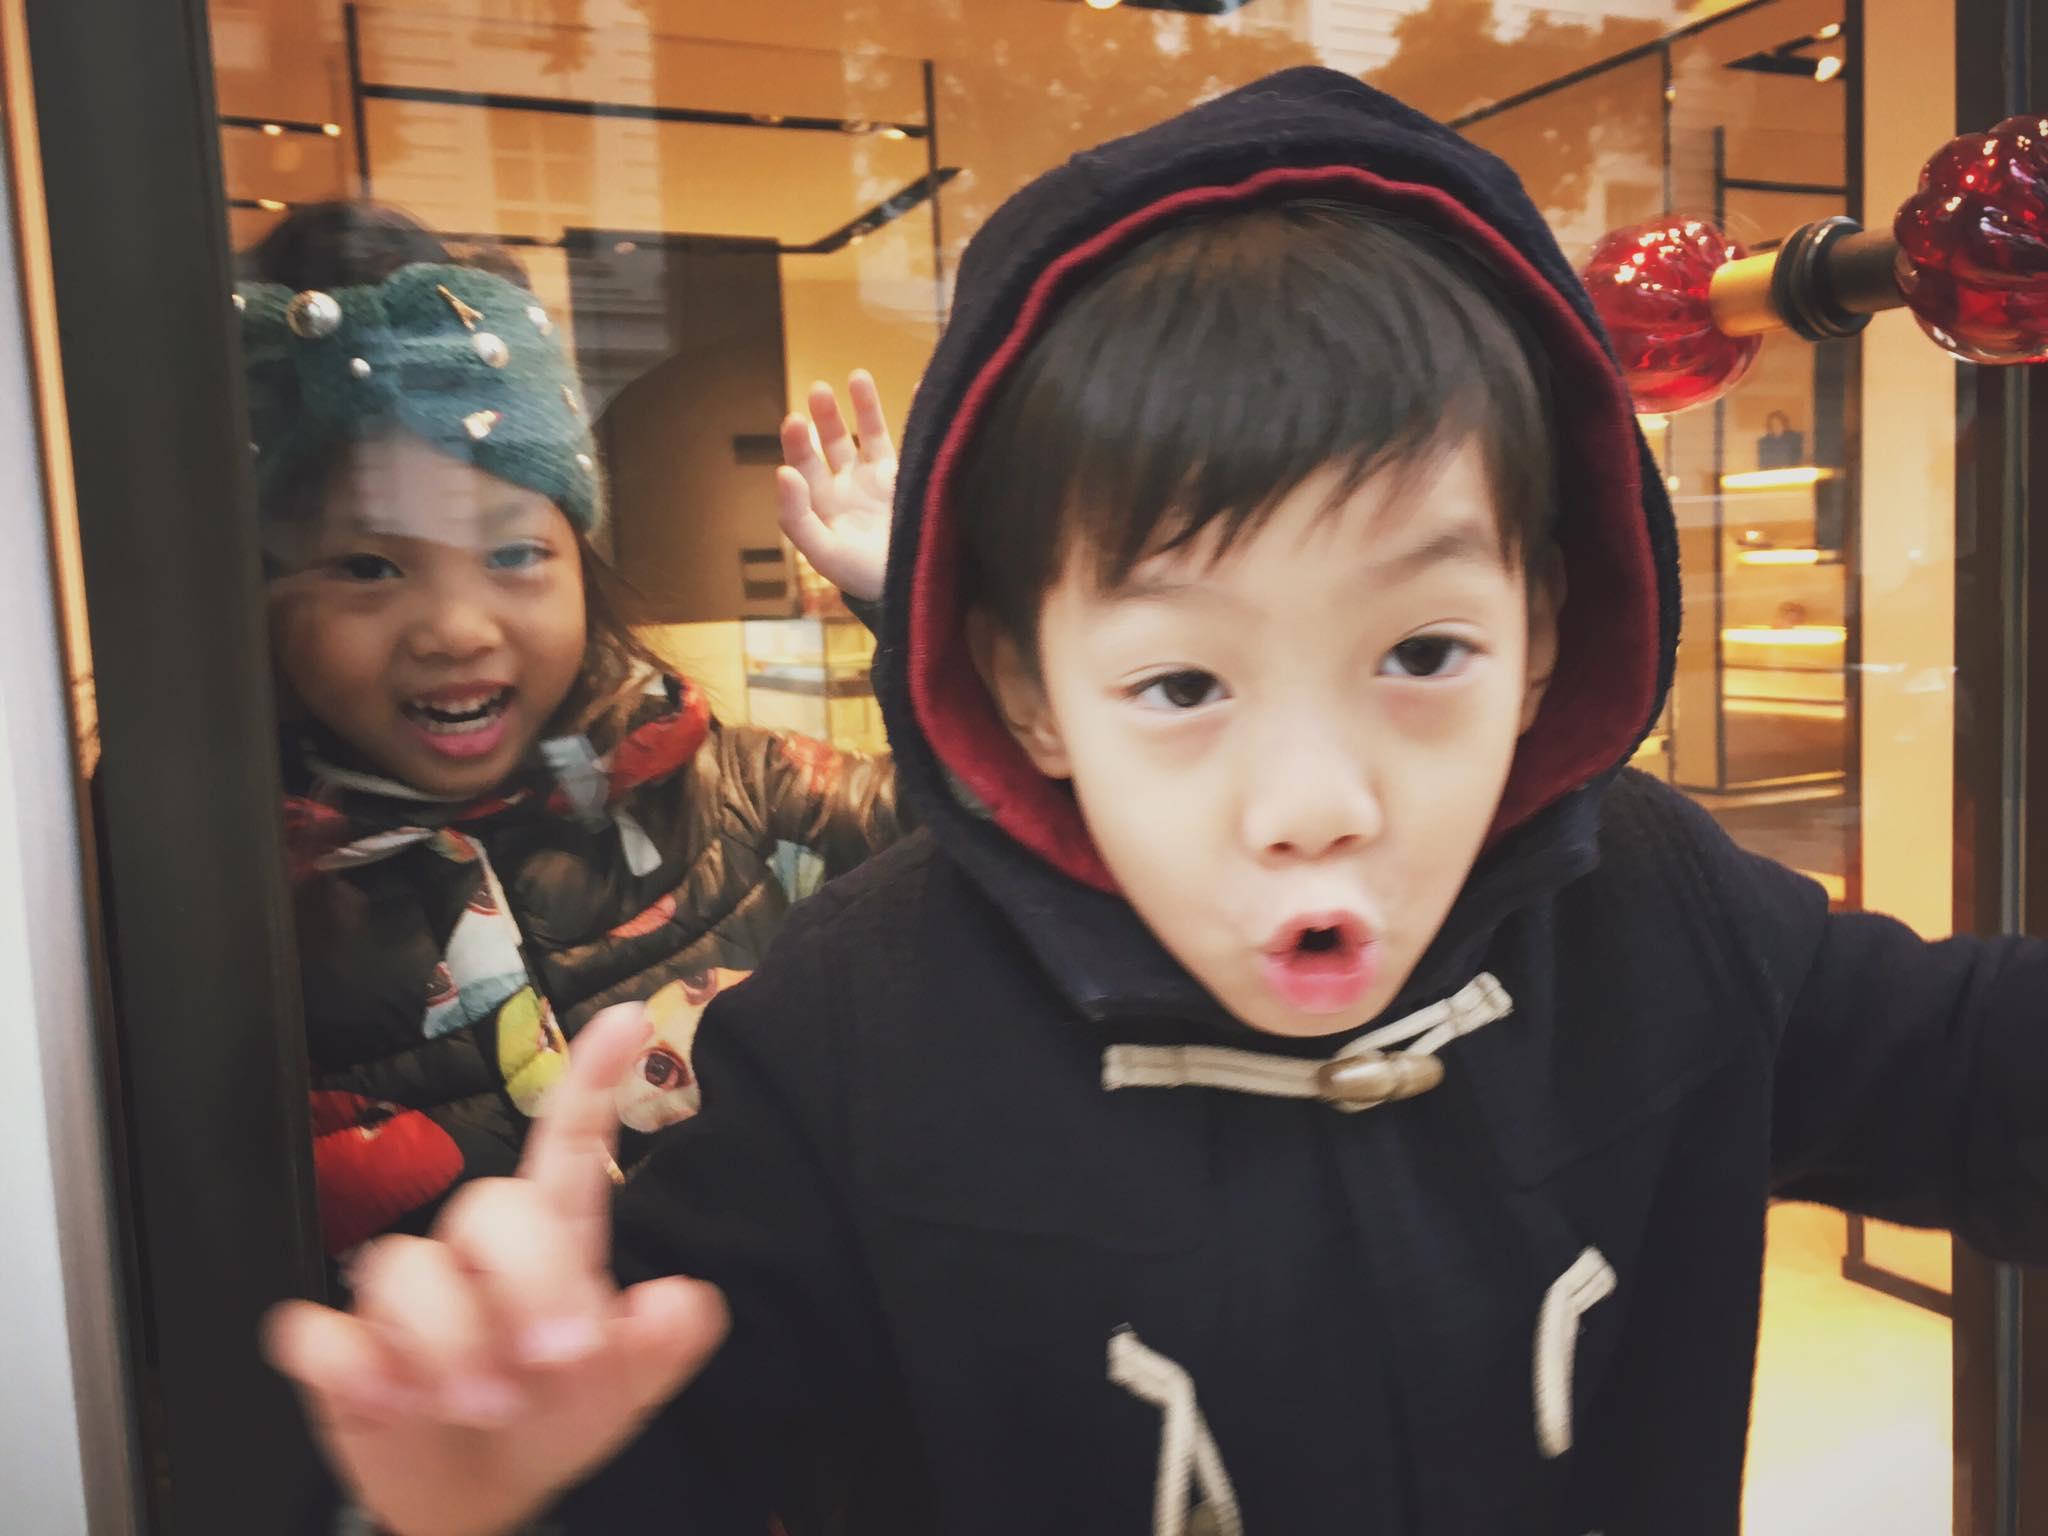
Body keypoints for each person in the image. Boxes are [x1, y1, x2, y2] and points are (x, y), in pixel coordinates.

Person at [268, 71, 2048, 1535]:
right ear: (1030, 689)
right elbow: (681, 1455)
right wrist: (509, 1489)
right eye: (1184, 684)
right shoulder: (846, 1041)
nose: (1315, 805)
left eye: (1423, 650)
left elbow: (1972, 1071)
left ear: (1543, 633)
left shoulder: (1649, 910)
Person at [241, 202, 907, 1258]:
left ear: (583, 571)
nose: (457, 630)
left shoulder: (733, 793)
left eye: (513, 555)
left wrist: (914, 615)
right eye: (368, 566)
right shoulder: (218, 921)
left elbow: (995, 839)